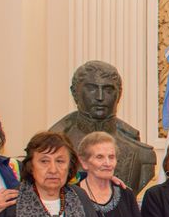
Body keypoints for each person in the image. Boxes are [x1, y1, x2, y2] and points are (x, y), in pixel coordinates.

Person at [49, 60, 156, 192]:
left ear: (119, 94)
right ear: (75, 93)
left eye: (108, 90)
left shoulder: (142, 154)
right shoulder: (52, 147)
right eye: (91, 89)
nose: (100, 97)